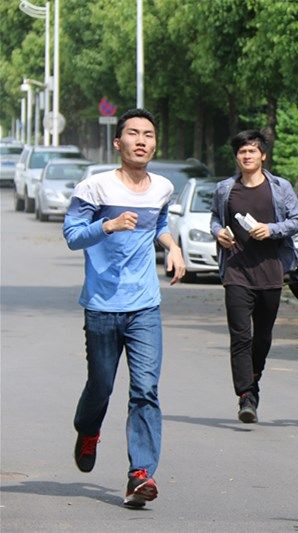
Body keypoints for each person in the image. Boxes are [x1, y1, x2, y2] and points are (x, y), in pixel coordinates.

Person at [63, 108, 186, 508]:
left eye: (148, 134)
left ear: (155, 143)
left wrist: (173, 247)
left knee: (146, 389)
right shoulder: (94, 188)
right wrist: (107, 225)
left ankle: (140, 474)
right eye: (133, 133)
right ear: (118, 143)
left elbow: (159, 224)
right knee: (101, 384)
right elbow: (72, 236)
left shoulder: (163, 188)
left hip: (144, 305)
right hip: (101, 305)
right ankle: (88, 430)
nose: (141, 140)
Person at [210, 130, 298, 424]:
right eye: (242, 152)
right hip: (236, 271)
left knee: (262, 337)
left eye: (252, 151)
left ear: (263, 155)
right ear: (236, 157)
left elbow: (297, 220)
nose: (247, 156)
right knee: (240, 336)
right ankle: (246, 396)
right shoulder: (225, 189)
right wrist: (219, 233)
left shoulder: (280, 187)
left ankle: (254, 377)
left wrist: (271, 230)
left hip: (271, 271)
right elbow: (215, 219)